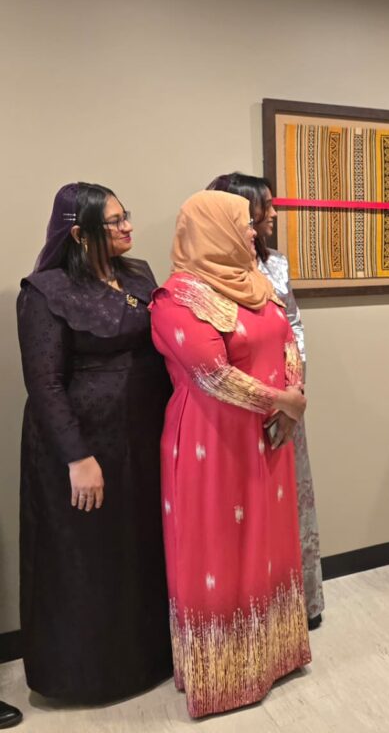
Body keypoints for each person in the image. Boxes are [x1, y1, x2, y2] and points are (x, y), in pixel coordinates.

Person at [150, 190, 311, 717]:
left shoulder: (255, 282)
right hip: (212, 443)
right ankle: (225, 676)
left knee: (269, 541)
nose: (251, 230)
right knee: (220, 549)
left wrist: (292, 399)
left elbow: (287, 340)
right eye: (242, 223)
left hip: (270, 436)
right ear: (213, 229)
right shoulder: (176, 298)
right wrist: (283, 401)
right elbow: (212, 375)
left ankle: (274, 655)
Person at [16, 183, 172, 702]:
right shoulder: (45, 292)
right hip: (84, 445)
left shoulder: (138, 274)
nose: (128, 226)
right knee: (90, 557)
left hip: (143, 439)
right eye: (115, 220)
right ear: (80, 234)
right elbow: (44, 384)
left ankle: (150, 659)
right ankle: (89, 677)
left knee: (139, 546)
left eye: (127, 215)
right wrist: (77, 457)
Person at [207, 172, 324, 629]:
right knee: (244, 508)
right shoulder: (207, 275)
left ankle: (297, 603)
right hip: (235, 408)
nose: (273, 213)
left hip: (287, 402)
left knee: (289, 497)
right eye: (264, 206)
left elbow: (294, 327)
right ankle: (250, 613)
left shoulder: (275, 265)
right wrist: (261, 397)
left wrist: (294, 393)